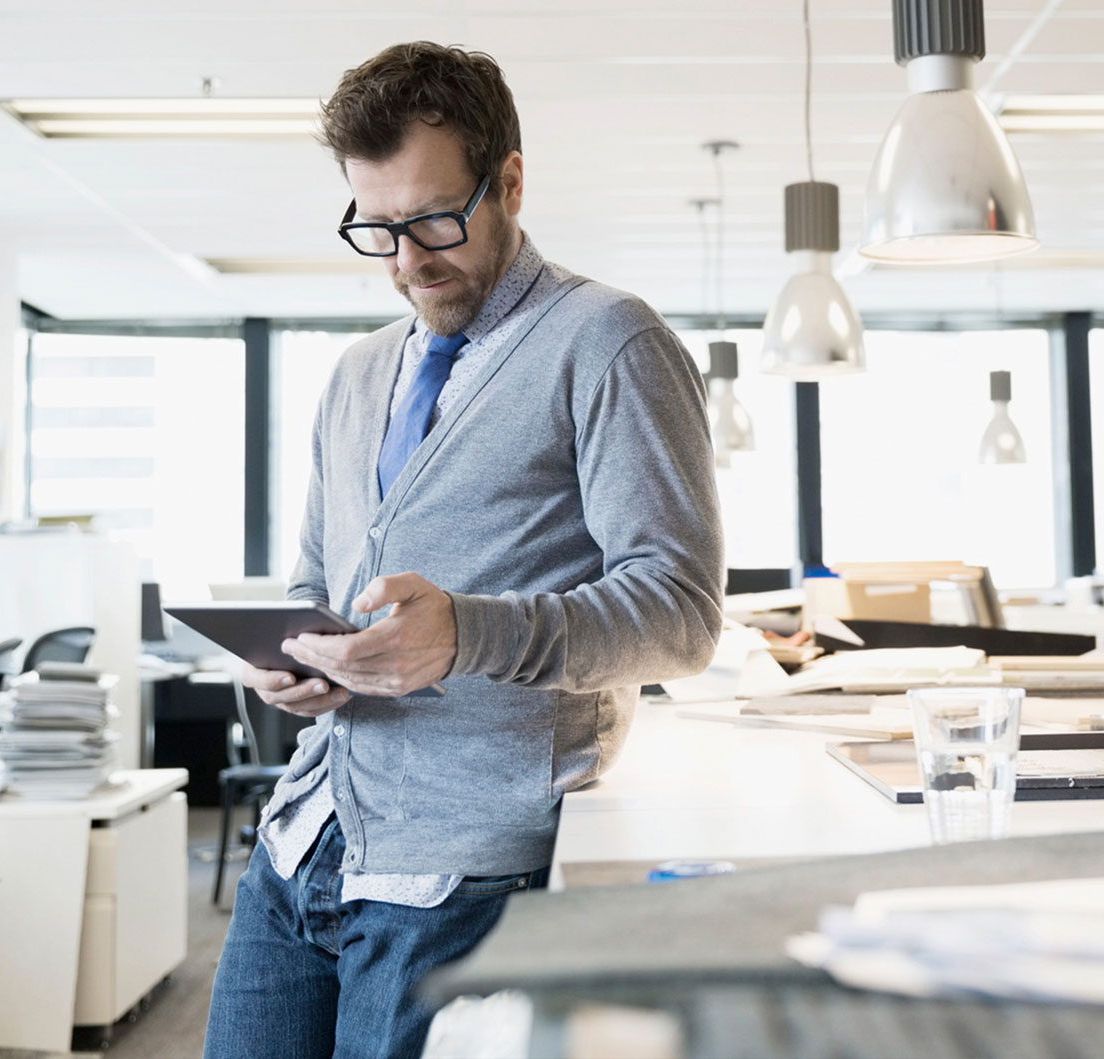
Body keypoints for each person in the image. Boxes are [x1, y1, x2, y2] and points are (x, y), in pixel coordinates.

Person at [203, 41, 724, 1059]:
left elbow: (680, 616)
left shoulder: (606, 341)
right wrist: (297, 660)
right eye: (376, 229)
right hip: (304, 836)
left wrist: (466, 634)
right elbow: (320, 581)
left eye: (433, 220)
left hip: (461, 867)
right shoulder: (357, 374)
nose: (406, 261)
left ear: (510, 181)